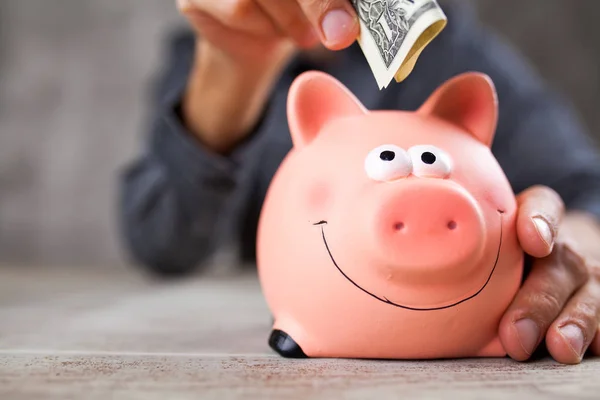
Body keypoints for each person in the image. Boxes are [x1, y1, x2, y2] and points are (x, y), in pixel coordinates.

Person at [119, 0, 600, 365]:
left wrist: (575, 240)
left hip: (479, 325)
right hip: (316, 317)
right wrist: (228, 75)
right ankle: (304, 328)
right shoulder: (205, 48)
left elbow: (585, 187)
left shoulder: (455, 51)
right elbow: (160, 240)